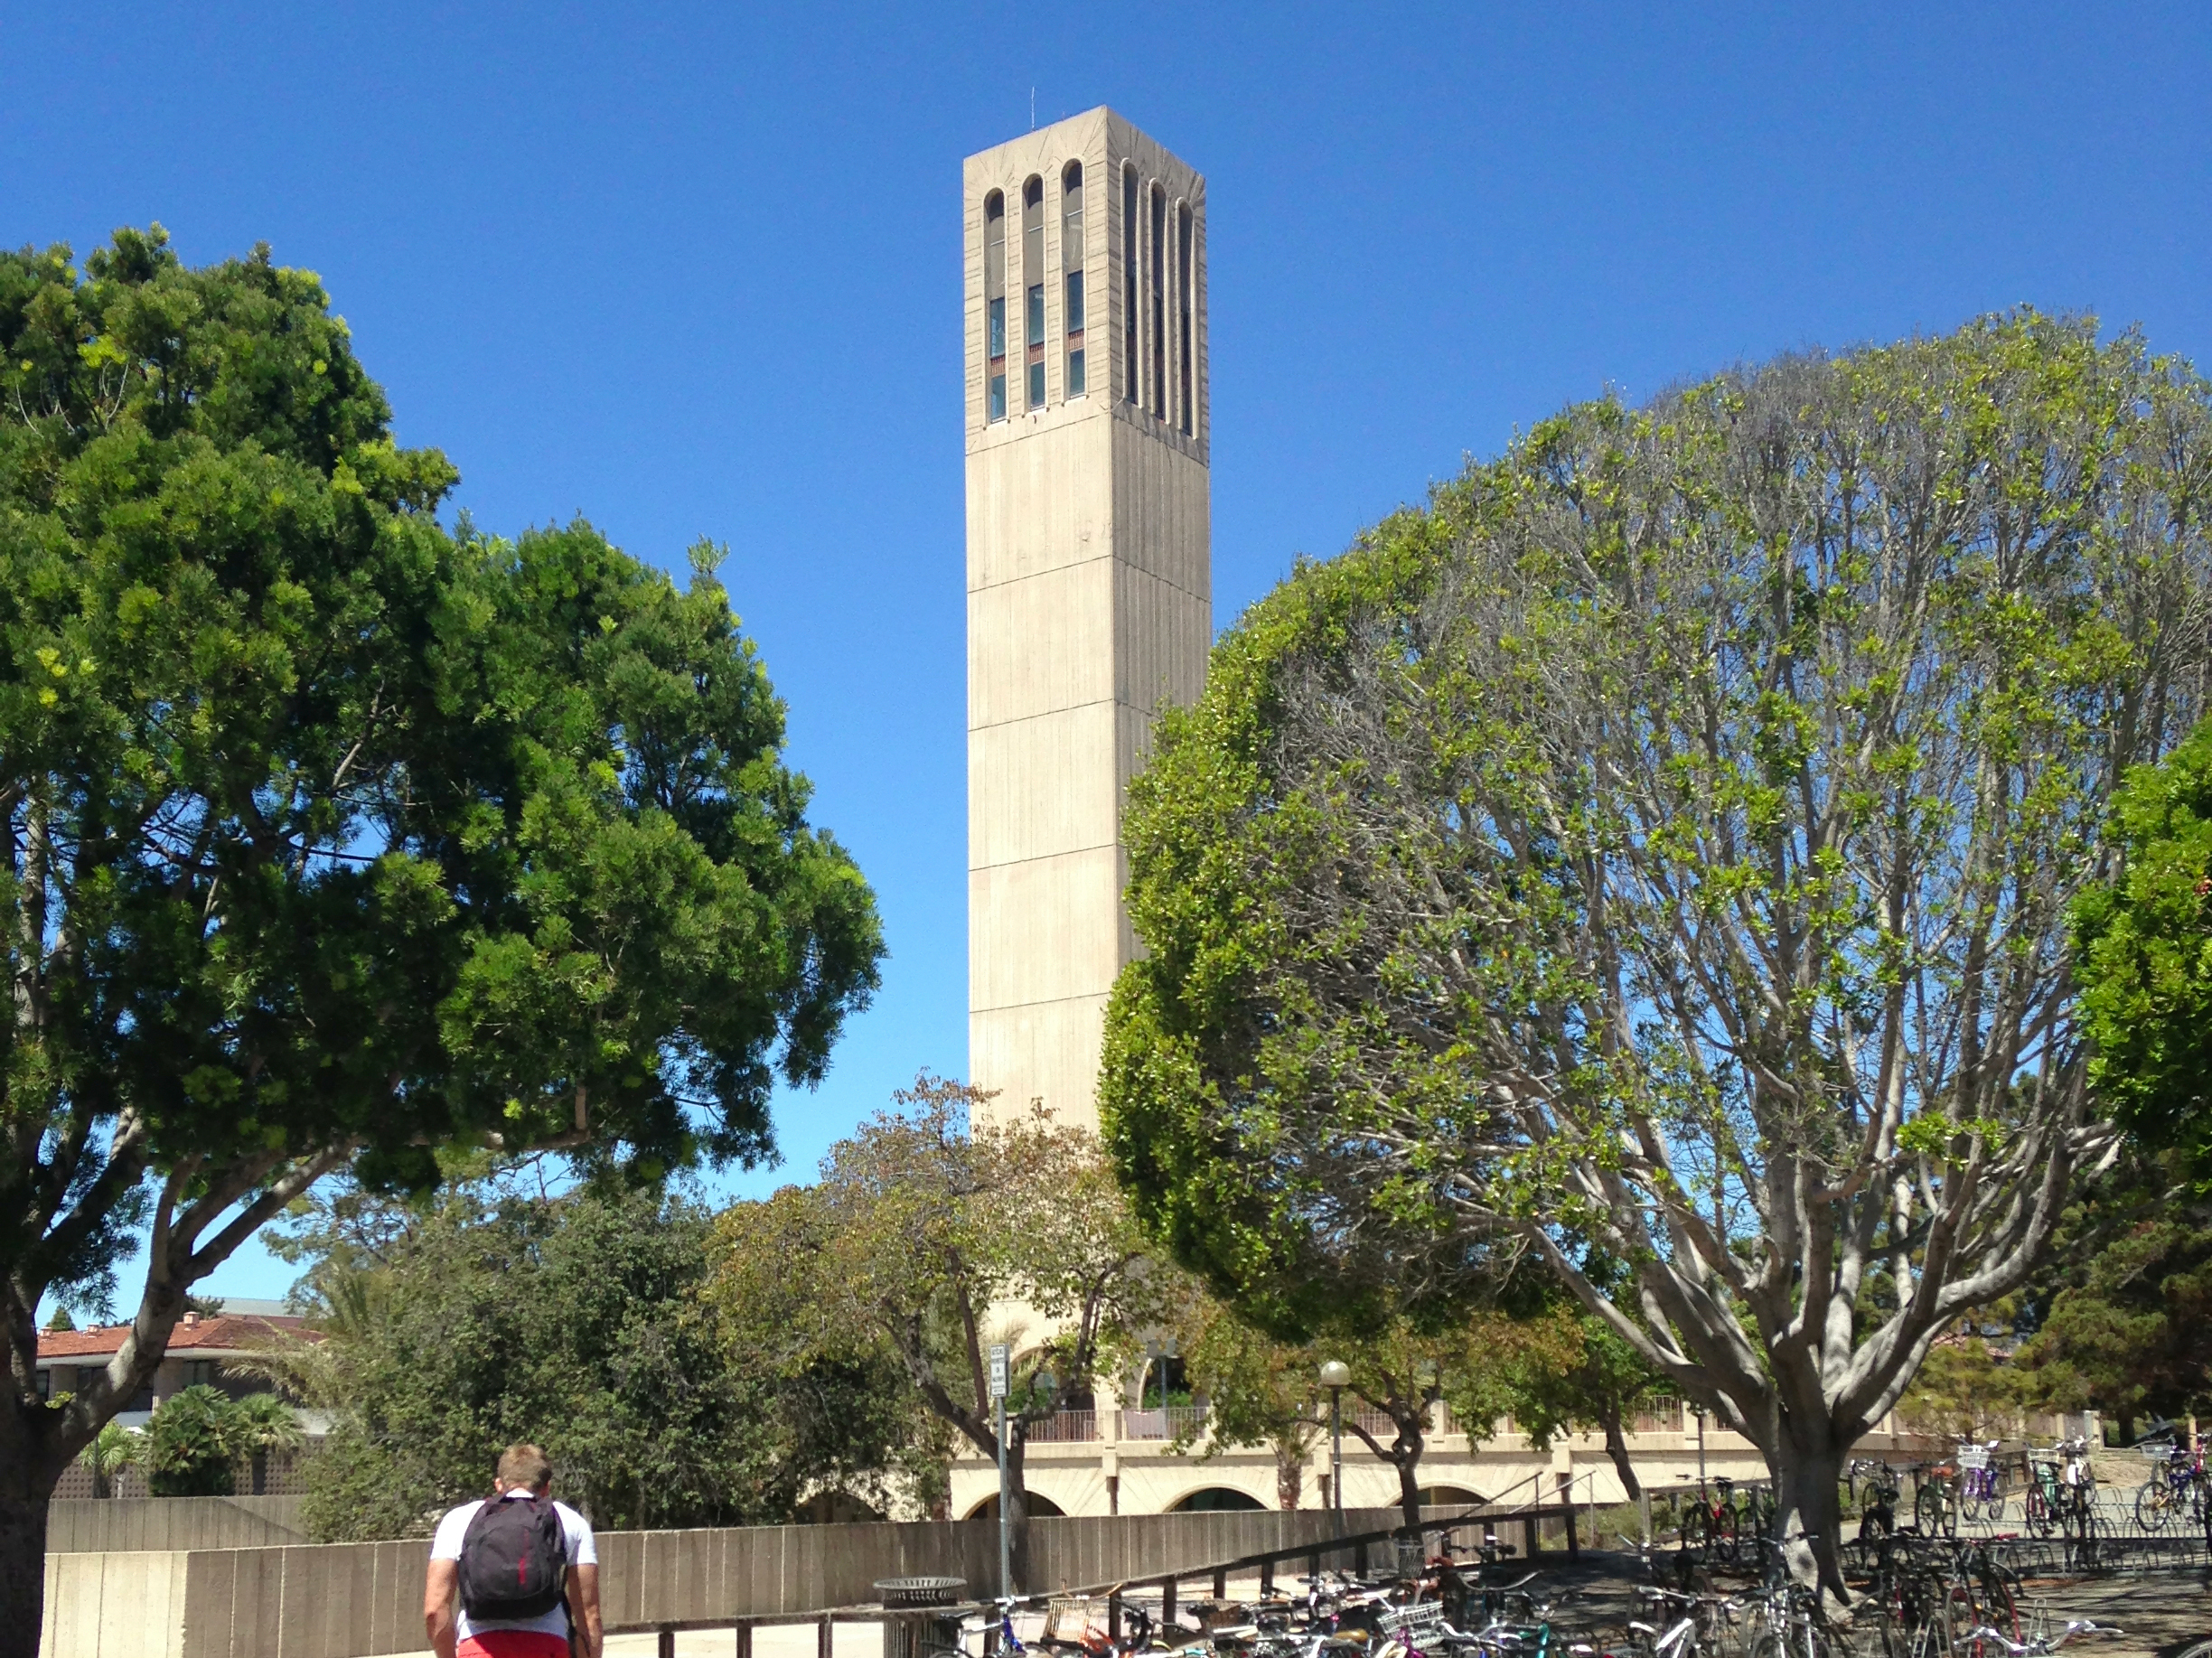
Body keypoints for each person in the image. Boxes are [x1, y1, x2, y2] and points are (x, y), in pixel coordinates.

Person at [424, 1444, 604, 1658]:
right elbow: (589, 1615)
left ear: (499, 1485)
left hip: (479, 1648)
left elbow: (434, 1610)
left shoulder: (458, 1520)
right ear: (546, 1488)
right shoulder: (571, 1522)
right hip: (548, 1647)